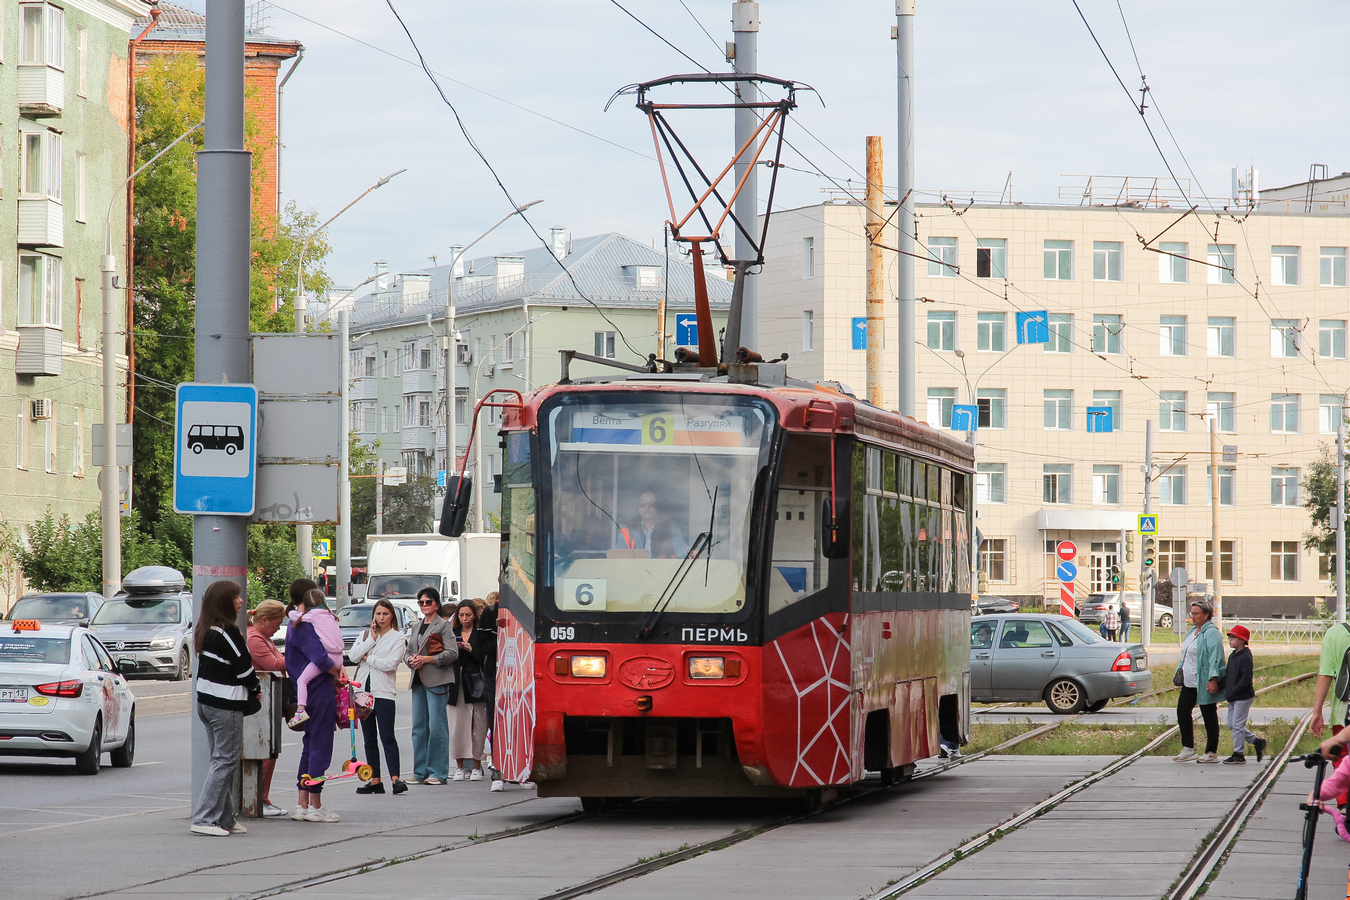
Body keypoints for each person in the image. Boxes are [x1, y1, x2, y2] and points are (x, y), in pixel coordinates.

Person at [190, 581, 260, 837]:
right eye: (237, 597)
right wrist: (255, 687)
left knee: (222, 760)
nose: (241, 601)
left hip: (207, 702)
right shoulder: (226, 632)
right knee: (226, 760)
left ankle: (226, 818)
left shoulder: (205, 630)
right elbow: (244, 667)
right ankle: (204, 818)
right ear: (224, 602)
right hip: (225, 704)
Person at [285, 583, 348, 822]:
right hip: (318, 690)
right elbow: (320, 658)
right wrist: (337, 673)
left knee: (309, 745)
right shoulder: (305, 626)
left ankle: (303, 803)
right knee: (321, 744)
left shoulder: (295, 623)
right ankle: (316, 804)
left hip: (305, 690)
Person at [348, 599, 408, 795]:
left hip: (383, 693)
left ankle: (396, 779)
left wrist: (368, 658)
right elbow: (353, 656)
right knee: (369, 738)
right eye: (378, 614)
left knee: (387, 736)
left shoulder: (398, 638)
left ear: (392, 616)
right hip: (363, 693)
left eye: (385, 614)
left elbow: (390, 664)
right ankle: (375, 780)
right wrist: (370, 640)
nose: (381, 618)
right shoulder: (366, 634)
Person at [406, 586, 457, 785]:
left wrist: (427, 659)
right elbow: (408, 652)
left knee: (437, 727)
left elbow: (452, 653)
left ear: (436, 604)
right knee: (419, 728)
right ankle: (420, 772)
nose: (425, 605)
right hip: (418, 680)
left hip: (437, 680)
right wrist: (410, 660)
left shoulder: (443, 626)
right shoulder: (416, 626)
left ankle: (438, 772)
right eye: (421, 602)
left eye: (428, 602)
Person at [246, 599, 289, 817]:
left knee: (269, 751)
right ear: (264, 620)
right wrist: (295, 656)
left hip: (268, 702)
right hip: (261, 703)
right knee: (264, 751)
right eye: (277, 623)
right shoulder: (254, 638)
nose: (278, 628)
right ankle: (259, 798)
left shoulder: (262, 637)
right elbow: (275, 664)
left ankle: (263, 797)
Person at [1173, 599, 1225, 764]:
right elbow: (1185, 654)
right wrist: (1179, 672)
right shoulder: (1192, 632)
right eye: (1192, 613)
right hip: (1189, 681)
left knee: (1209, 714)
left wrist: (1213, 679)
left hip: (1204, 681)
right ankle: (1188, 748)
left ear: (1206, 615)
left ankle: (1211, 751)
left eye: (1196, 614)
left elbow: (1215, 658)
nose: (1193, 616)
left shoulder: (1211, 633)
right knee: (1182, 711)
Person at [287, 589, 344, 729]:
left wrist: (289, 611)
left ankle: (300, 710)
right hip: (340, 658)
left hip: (329, 656)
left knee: (303, 680)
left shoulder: (312, 616)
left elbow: (295, 617)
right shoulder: (331, 615)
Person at [449, 598, 491, 781]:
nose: (464, 618)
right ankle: (460, 766)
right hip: (457, 682)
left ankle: (476, 765)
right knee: (458, 725)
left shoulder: (480, 633)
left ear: (474, 615)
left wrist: (471, 649)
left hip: (476, 681)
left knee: (479, 724)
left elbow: (485, 657)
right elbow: (446, 656)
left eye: (468, 615)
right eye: (461, 615)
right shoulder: (452, 632)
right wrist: (457, 649)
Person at [1222, 624, 1266, 765]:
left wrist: (1233, 692)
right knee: (1232, 725)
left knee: (1237, 725)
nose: (1230, 640)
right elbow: (1229, 675)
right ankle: (1257, 742)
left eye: (1233, 637)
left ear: (1242, 640)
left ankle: (1238, 754)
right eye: (1229, 637)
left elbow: (1246, 679)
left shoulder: (1245, 657)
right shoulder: (1233, 655)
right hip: (1233, 696)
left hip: (1243, 696)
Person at [614, 489, 689, 559]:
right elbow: (617, 558)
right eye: (642, 504)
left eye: (652, 503)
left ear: (657, 507)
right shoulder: (627, 533)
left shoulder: (670, 528)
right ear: (638, 509)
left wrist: (690, 553)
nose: (647, 507)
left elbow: (681, 548)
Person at [479, 591, 504, 791]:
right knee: (496, 719)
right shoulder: (490, 612)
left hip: (521, 672)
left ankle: (523, 772)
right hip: (493, 672)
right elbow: (482, 645)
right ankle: (498, 771)